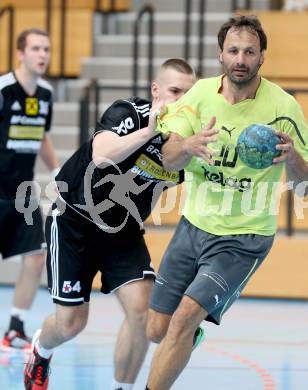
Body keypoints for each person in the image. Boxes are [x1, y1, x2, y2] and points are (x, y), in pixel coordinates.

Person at [145, 15, 308, 390]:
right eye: (234, 50)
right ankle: (188, 338)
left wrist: (292, 159)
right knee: (157, 329)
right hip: (193, 226)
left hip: (244, 238)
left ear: (262, 57)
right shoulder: (200, 96)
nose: (241, 58)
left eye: (250, 51)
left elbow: (306, 188)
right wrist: (187, 146)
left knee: (183, 318)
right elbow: (167, 157)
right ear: (221, 55)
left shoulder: (283, 108)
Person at [24, 58, 196, 390]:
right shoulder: (129, 113)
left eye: (188, 95)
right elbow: (102, 155)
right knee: (71, 324)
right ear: (156, 90)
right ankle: (41, 349)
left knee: (143, 313)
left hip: (123, 231)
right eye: (174, 91)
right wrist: (150, 132)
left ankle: (122, 388)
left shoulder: (185, 144)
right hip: (74, 220)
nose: (180, 101)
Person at [0, 28, 60, 352]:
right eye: (36, 48)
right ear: (20, 53)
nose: (43, 55)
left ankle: (14, 328)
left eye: (47, 49)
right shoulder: (3, 89)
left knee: (36, 257)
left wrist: (56, 169)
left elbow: (41, 135)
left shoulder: (46, 94)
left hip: (23, 191)